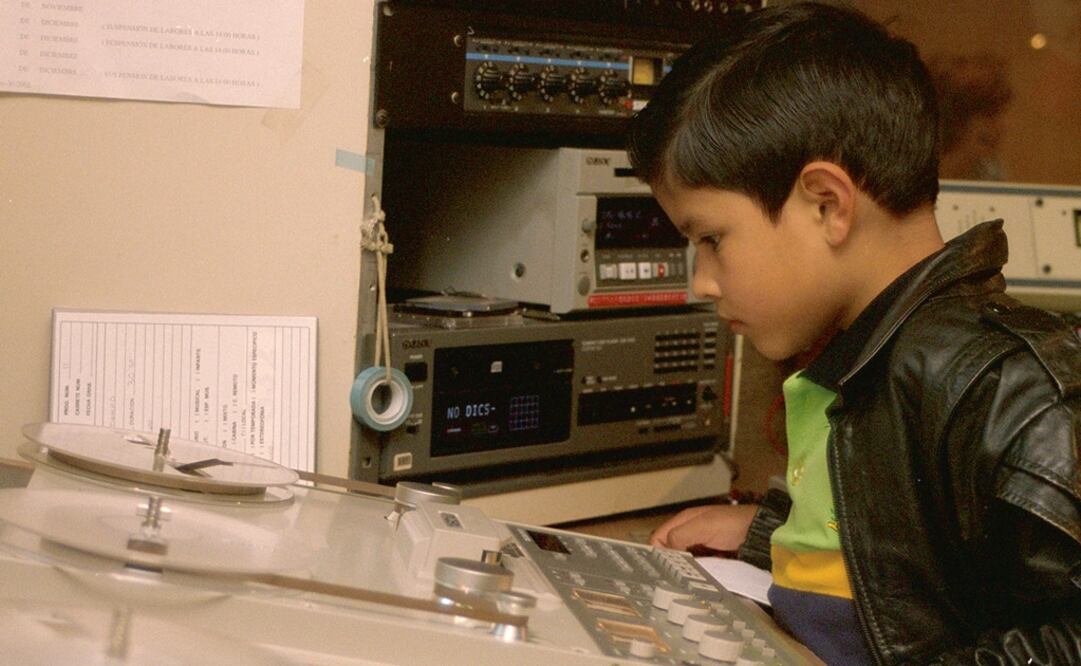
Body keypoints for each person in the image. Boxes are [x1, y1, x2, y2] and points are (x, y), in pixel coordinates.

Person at [626, 2, 1081, 664]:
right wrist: (769, 535)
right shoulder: (858, 353)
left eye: (711, 239)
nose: (703, 281)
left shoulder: (1008, 391)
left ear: (825, 205)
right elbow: (892, 545)